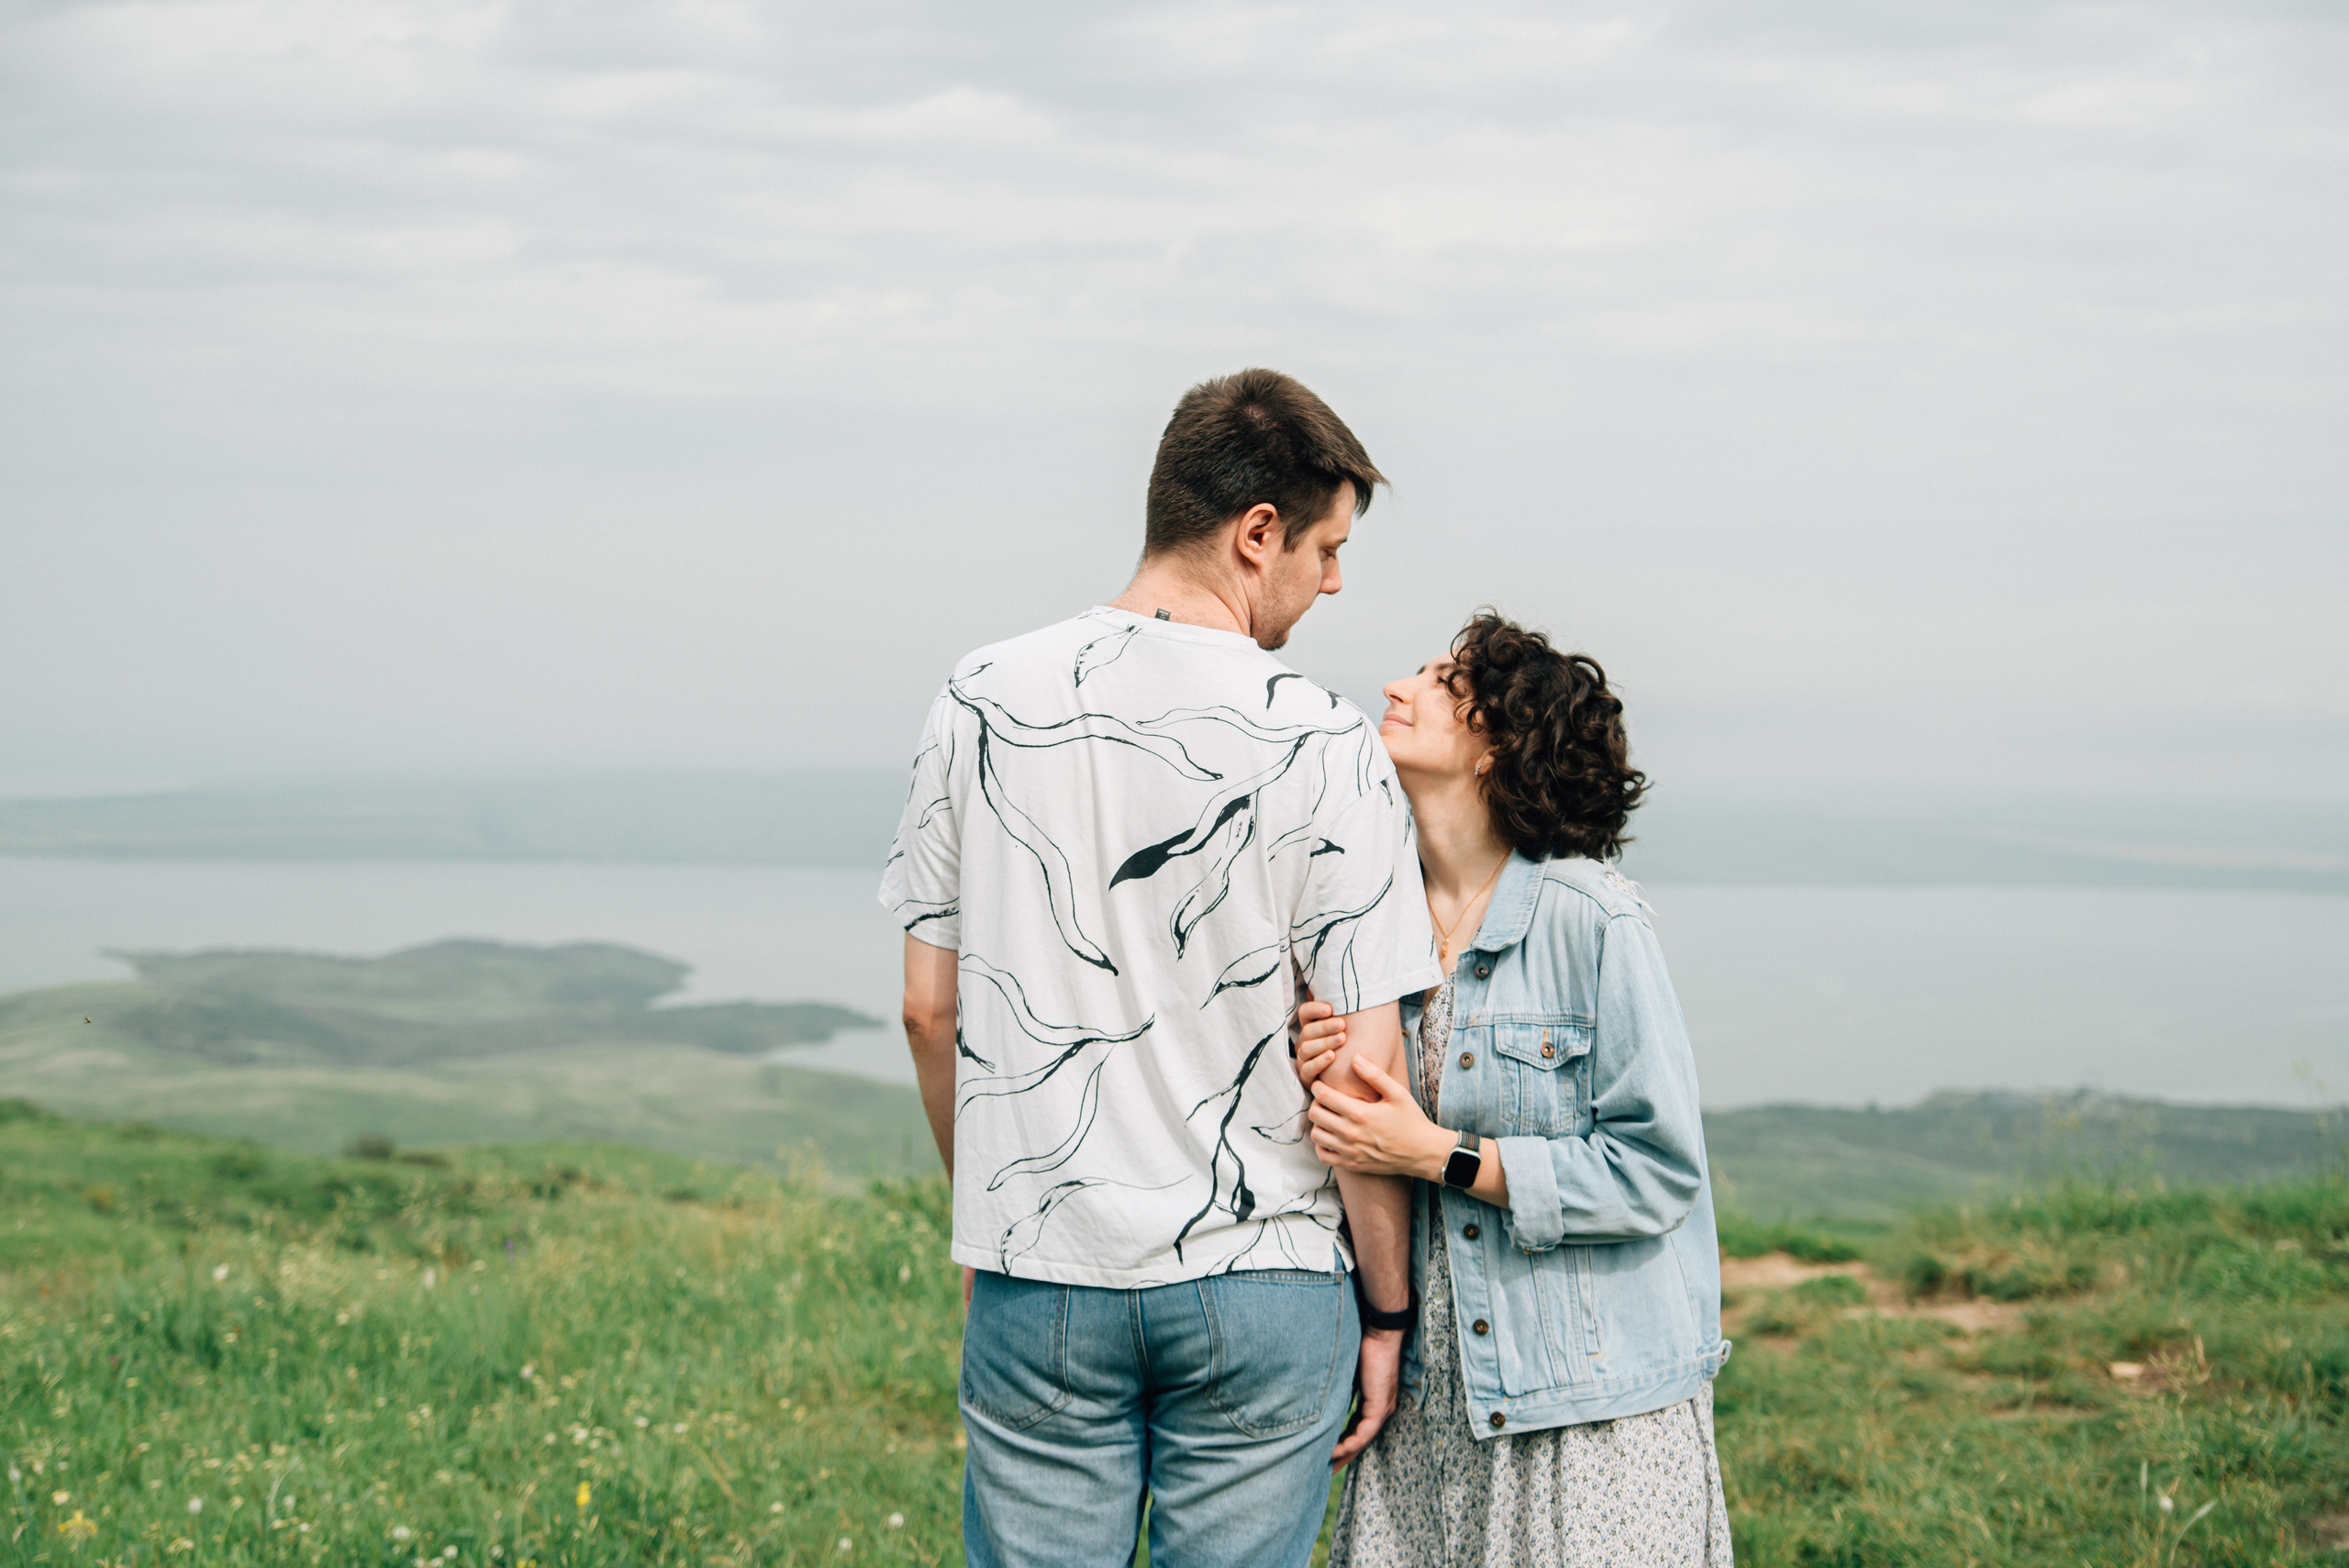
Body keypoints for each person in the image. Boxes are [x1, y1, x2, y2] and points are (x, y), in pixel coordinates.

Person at [879, 369, 1443, 1568]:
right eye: (1328, 547)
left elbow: (931, 1015)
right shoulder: (1326, 742)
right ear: (1257, 534)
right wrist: (1387, 1311)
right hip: (1265, 1280)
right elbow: (1365, 1075)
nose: (1332, 581)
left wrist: (995, 1216)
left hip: (1043, 1268)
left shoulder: (979, 700)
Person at [1293, 612, 1733, 1567]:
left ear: (1497, 744)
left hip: (1584, 1410)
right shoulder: (1368, 920)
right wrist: (1313, 1058)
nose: (1398, 687)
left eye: (1441, 683)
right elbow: (1357, 1151)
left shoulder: (1593, 920)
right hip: (1426, 1398)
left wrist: (1436, 1152)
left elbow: (1655, 1172)